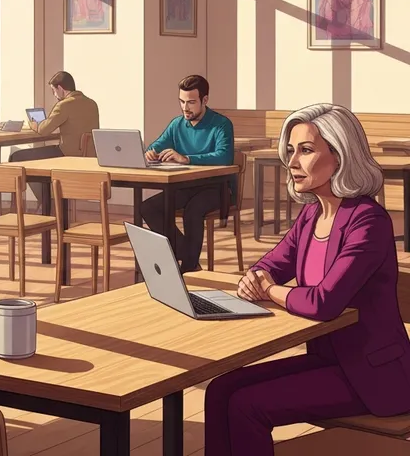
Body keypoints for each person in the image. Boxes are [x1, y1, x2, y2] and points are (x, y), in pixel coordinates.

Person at [205, 102, 410, 455]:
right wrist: (257, 278)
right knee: (220, 390)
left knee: (246, 405)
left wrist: (268, 289)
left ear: (341, 155)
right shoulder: (311, 215)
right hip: (329, 359)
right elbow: (272, 263)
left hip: (371, 375)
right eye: (290, 151)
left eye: (306, 150)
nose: (292, 162)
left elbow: (323, 302)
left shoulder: (369, 222)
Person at [141, 74, 234, 273]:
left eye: (191, 102)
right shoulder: (177, 124)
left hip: (217, 187)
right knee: (148, 208)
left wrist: (187, 158)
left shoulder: (221, 124)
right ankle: (185, 253)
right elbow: (156, 145)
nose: (185, 107)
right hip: (186, 185)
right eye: (182, 101)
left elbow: (224, 157)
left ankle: (189, 267)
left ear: (205, 100)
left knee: (193, 211)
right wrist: (151, 152)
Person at [10, 71, 99, 209]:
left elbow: (43, 129)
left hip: (67, 155)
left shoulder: (64, 105)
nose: (54, 95)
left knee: (17, 157)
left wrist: (35, 124)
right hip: (87, 157)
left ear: (61, 89)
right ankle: (49, 201)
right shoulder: (92, 103)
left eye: (54, 90)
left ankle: (45, 203)